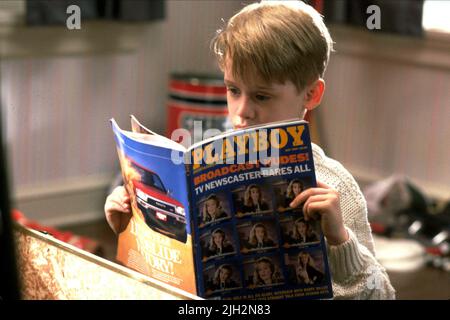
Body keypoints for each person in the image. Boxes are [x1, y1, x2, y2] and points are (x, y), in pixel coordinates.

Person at [105, 0, 395, 299]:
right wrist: (132, 228)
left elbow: (382, 295)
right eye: (233, 90)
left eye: (261, 96)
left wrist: (340, 240)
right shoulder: (205, 166)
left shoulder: (335, 186)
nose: (242, 111)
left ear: (311, 94)